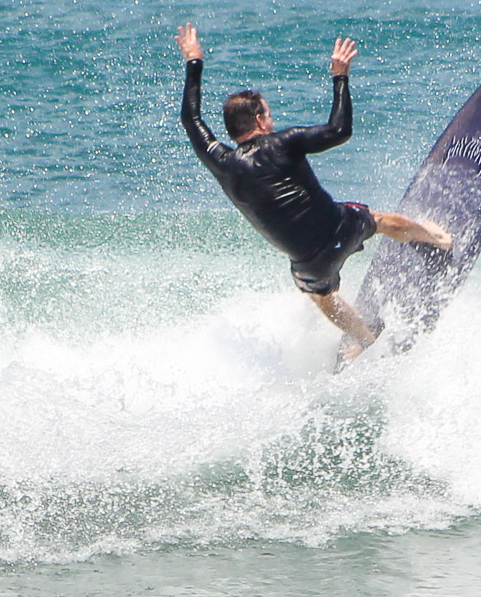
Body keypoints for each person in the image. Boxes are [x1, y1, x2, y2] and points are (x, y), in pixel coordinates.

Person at [175, 23, 451, 362]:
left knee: (322, 297)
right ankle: (437, 240)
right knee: (378, 220)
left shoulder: (220, 161)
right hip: (341, 228)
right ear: (259, 120)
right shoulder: (283, 143)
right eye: (269, 114)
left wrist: (193, 62)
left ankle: (363, 339)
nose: (272, 121)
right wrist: (341, 76)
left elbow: (191, 118)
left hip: (310, 264)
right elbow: (339, 130)